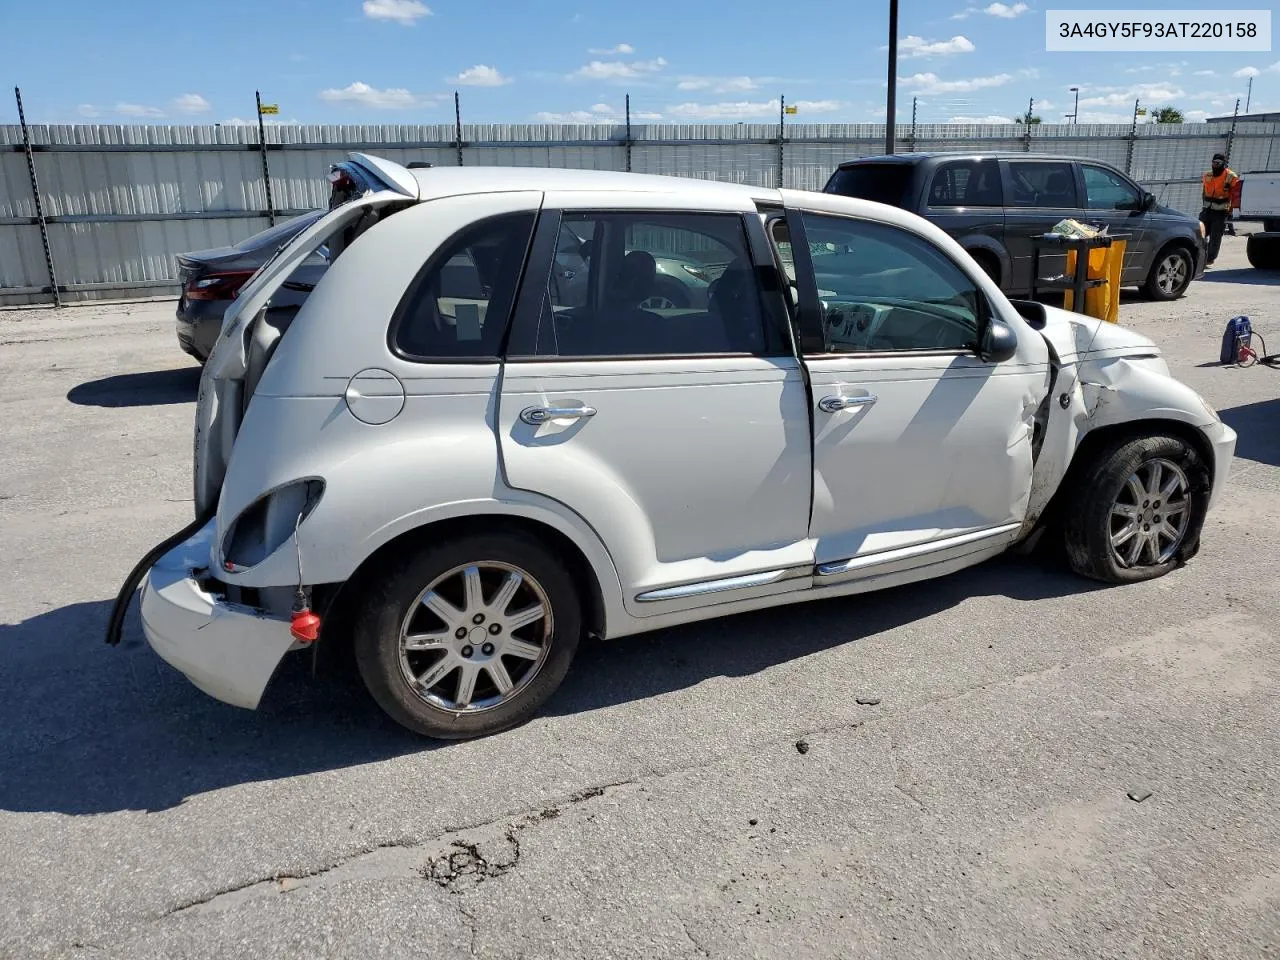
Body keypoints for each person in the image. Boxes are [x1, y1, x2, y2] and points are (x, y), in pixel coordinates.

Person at [1200, 152, 1238, 266]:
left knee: (1215, 237)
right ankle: (1199, 255)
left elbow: (1234, 195)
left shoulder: (1231, 176)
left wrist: (1231, 211)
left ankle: (1209, 259)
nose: (1215, 165)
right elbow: (1204, 191)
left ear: (1223, 164)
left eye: (1218, 163)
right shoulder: (1207, 175)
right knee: (1199, 233)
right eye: (1213, 162)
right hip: (1207, 210)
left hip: (1221, 212)